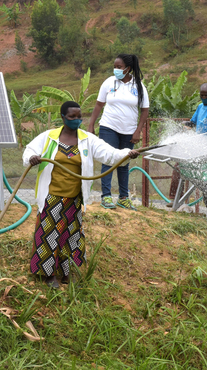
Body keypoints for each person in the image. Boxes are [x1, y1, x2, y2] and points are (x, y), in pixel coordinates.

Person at [24, 101, 140, 288]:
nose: (77, 120)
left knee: (72, 235)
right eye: (72, 117)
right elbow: (30, 149)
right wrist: (31, 158)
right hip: (52, 197)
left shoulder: (87, 139)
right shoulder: (49, 137)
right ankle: (48, 275)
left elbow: (109, 154)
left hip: (74, 199)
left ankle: (68, 273)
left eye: (79, 117)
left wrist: (127, 153)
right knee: (49, 235)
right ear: (63, 117)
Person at [87, 54, 150, 210]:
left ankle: (123, 197)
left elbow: (145, 110)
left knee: (123, 162)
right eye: (114, 67)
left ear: (128, 68)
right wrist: (91, 125)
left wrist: (138, 131)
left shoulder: (138, 86)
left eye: (119, 67)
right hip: (108, 127)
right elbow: (98, 105)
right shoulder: (109, 82)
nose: (116, 69)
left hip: (128, 131)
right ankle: (106, 197)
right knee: (108, 160)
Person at [167, 83, 207, 208]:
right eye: (201, 95)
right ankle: (174, 198)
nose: (203, 97)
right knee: (178, 167)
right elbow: (192, 122)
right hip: (197, 146)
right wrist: (184, 125)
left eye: (206, 95)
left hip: (206, 147)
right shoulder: (200, 107)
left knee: (203, 176)